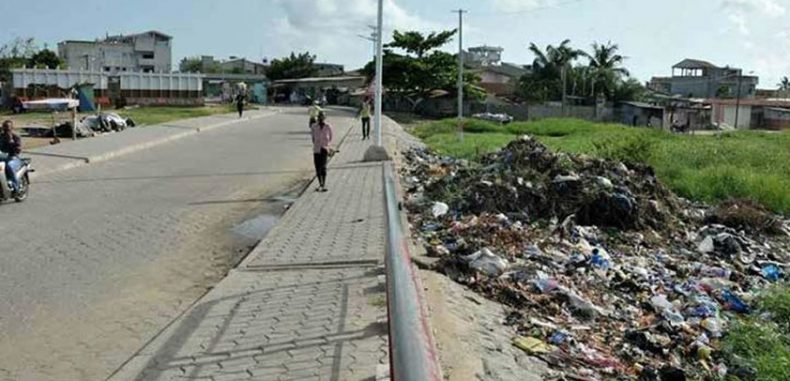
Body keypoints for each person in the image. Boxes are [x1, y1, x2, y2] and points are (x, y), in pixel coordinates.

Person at [310, 111, 333, 192]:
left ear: (325, 118)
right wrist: (317, 143)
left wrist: (327, 146)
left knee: (323, 167)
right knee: (317, 167)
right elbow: (313, 137)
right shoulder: (314, 126)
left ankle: (323, 184)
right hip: (316, 149)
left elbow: (330, 137)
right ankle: (320, 183)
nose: (321, 118)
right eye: (320, 117)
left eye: (322, 117)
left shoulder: (328, 126)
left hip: (324, 149)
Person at [0, 120, 23, 194]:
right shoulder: (1, 136)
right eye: (4, 128)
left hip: (13, 158)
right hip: (2, 158)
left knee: (9, 166)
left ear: (12, 128)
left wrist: (11, 142)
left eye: (8, 129)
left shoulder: (16, 137)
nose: (6, 130)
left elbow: (18, 150)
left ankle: (16, 187)